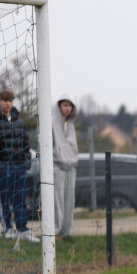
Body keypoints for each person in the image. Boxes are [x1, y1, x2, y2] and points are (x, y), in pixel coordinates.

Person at [0, 89, 37, 242]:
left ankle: (23, 229)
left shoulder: (18, 121)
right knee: (4, 200)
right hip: (3, 166)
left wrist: (26, 161)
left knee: (20, 199)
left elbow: (25, 143)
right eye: (5, 100)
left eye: (10, 100)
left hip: (19, 166)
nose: (8, 103)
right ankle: (7, 228)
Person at [52, 95, 78, 239]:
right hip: (57, 167)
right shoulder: (51, 123)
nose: (67, 108)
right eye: (64, 105)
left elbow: (73, 146)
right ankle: (55, 231)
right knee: (57, 201)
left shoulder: (71, 126)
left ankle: (67, 231)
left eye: (70, 105)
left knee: (69, 200)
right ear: (59, 106)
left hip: (70, 167)